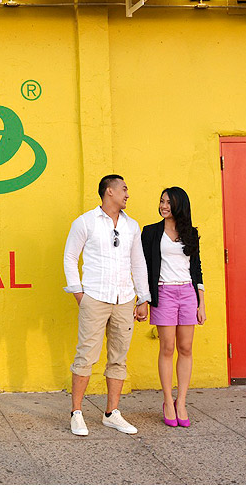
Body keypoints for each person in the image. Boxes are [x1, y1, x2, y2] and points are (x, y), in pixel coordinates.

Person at [63, 175, 151, 436]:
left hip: (124, 299)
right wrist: (79, 293)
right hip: (95, 297)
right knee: (86, 355)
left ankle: (112, 413)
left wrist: (143, 297)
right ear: (109, 192)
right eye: (124, 188)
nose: (127, 193)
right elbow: (70, 257)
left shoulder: (131, 226)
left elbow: (138, 263)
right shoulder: (85, 222)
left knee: (119, 358)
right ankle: (76, 413)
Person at [141, 187, 205, 428]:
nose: (163, 205)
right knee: (167, 347)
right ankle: (168, 400)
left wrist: (201, 303)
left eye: (168, 202)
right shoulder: (150, 232)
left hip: (187, 293)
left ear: (179, 205)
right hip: (164, 292)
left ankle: (182, 401)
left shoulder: (191, 233)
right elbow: (144, 268)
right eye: (161, 201)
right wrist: (143, 299)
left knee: (186, 347)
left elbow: (197, 270)